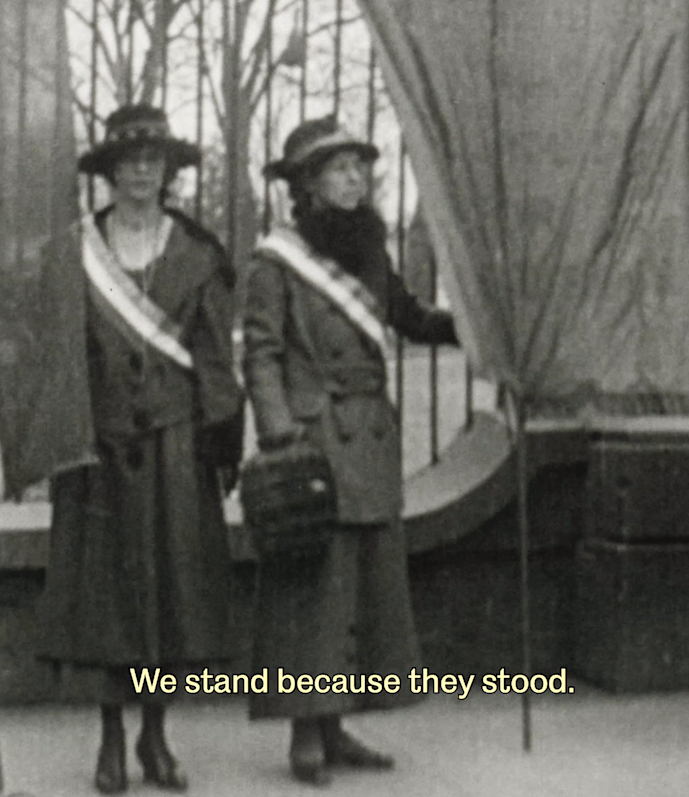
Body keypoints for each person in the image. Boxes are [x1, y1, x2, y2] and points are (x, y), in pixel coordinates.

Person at [243, 115, 459, 786]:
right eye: (339, 169)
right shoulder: (275, 261)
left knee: (363, 590)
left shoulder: (369, 252)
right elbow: (262, 353)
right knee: (315, 592)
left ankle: (337, 727)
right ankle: (305, 730)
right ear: (308, 184)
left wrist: (472, 330)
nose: (355, 178)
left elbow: (410, 317)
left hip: (369, 439)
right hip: (315, 441)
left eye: (359, 167)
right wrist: (281, 435)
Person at [36, 104, 244, 794]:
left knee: (168, 596)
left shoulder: (198, 254)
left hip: (174, 448)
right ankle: (110, 739)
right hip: (97, 447)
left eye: (153, 161)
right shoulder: (73, 251)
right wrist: (60, 436)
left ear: (169, 171)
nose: (141, 173)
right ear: (110, 172)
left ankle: (155, 736)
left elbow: (215, 358)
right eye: (128, 162)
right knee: (105, 599)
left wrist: (223, 439)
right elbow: (56, 353)